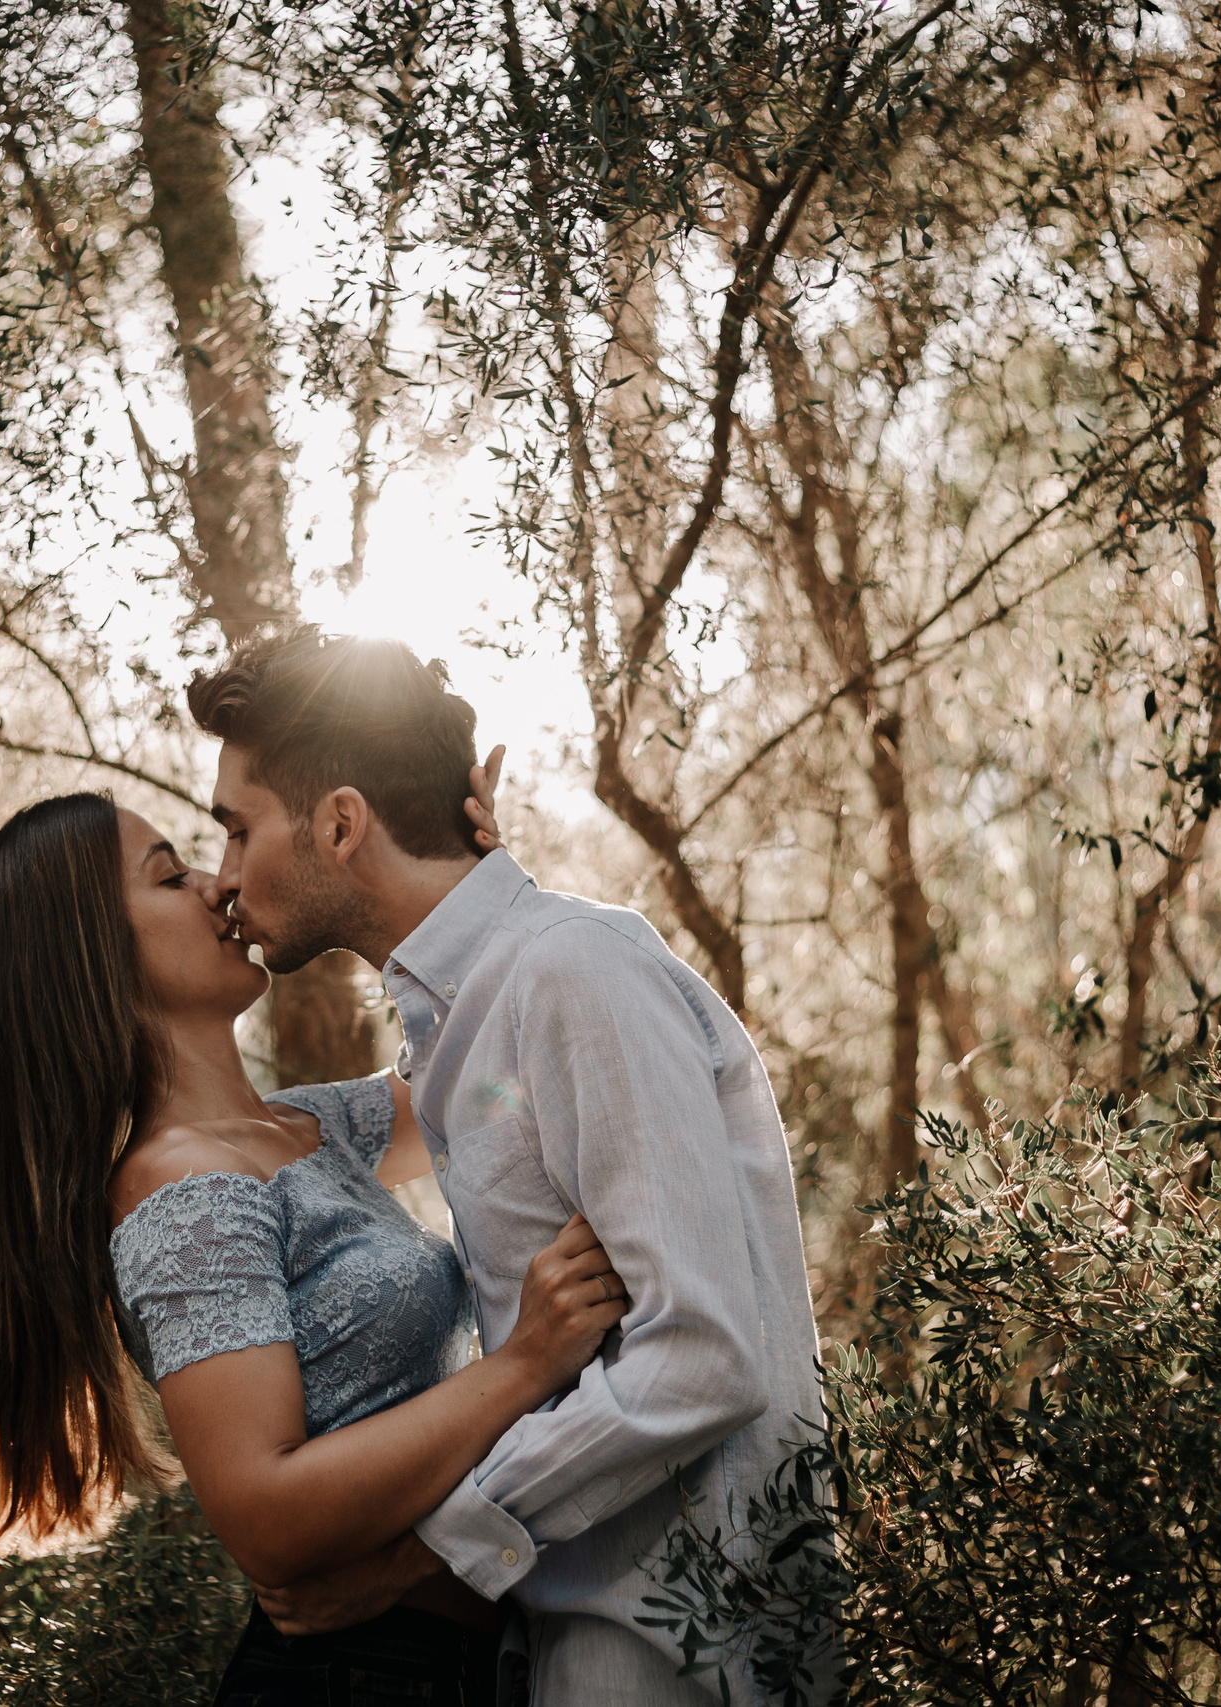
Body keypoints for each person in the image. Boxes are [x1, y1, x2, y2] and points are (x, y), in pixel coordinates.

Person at [0, 771, 624, 1707]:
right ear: (90, 958)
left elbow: (486, 1063)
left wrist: (465, 879)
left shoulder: (305, 1129)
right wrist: (522, 1366)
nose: (217, 886)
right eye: (167, 876)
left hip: (462, 1663)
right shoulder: (184, 1190)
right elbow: (266, 1514)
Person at [192, 628, 833, 1707]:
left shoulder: (569, 972)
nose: (222, 877)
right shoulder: (462, 1022)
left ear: (340, 823)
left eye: (236, 829)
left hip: (665, 1655)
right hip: (558, 1643)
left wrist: (414, 1557)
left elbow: (703, 1356)